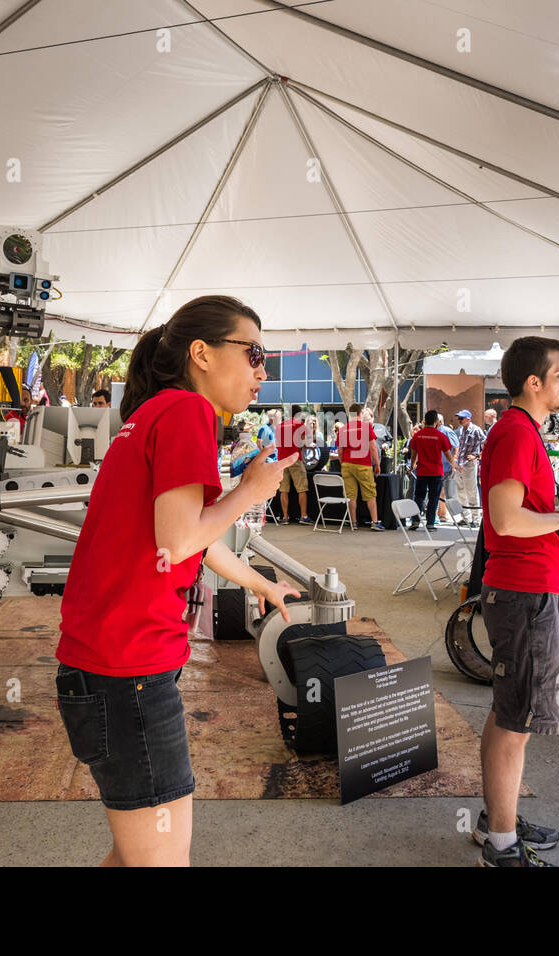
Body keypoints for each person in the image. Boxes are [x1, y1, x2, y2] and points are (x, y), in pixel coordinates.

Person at [56, 294, 301, 867]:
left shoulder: (152, 413)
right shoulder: (186, 413)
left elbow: (195, 539)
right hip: (128, 673)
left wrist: (259, 583)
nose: (263, 371)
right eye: (255, 354)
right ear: (202, 353)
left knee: (134, 854)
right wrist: (250, 492)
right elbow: (178, 540)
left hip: (108, 667)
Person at [474, 336, 559, 866]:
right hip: (522, 591)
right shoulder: (516, 432)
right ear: (533, 382)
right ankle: (501, 843)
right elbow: (506, 518)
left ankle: (499, 819)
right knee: (517, 723)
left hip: (524, 590)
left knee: (508, 713)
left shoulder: (522, 432)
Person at [339, 404, 386, 532]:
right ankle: (375, 522)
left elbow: (340, 451)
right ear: (360, 414)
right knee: (370, 493)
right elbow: (373, 448)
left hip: (347, 464)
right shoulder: (366, 427)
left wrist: (342, 463)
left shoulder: (343, 429)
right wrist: (377, 464)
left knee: (351, 495)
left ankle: (353, 522)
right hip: (363, 464)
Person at [407, 410, 455, 531]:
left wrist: (413, 465)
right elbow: (448, 454)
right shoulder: (441, 436)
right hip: (436, 472)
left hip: (422, 471)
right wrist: (454, 465)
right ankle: (430, 524)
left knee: (418, 497)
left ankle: (415, 521)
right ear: (436, 422)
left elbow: (413, 454)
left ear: (424, 421)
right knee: (434, 498)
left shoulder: (417, 435)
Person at [275, 405, 313, 524]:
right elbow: (304, 443)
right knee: (302, 488)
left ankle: (285, 517)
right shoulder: (299, 425)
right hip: (295, 459)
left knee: (283, 490)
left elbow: (277, 444)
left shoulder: (280, 426)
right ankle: (303, 516)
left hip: (281, 460)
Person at [453, 409, 485, 526]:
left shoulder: (476, 430)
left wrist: (476, 456)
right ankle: (465, 517)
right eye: (459, 418)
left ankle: (475, 518)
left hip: (469, 464)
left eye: (461, 418)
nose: (459, 421)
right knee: (460, 491)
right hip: (460, 464)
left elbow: (486, 442)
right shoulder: (460, 431)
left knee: (471, 491)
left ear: (468, 419)